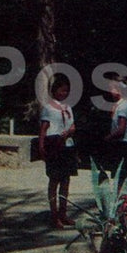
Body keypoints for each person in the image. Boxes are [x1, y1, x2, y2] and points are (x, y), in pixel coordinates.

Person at [39, 75, 78, 229]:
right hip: (54, 145)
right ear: (54, 91)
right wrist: (42, 147)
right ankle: (54, 215)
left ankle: (63, 213)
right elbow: (43, 128)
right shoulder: (48, 108)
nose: (64, 93)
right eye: (62, 90)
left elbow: (73, 125)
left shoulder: (68, 107)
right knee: (54, 180)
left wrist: (69, 131)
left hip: (67, 145)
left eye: (66, 91)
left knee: (66, 181)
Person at [103, 78, 127, 187]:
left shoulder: (122, 107)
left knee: (122, 177)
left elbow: (121, 129)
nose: (110, 91)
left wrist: (108, 138)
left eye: (112, 89)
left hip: (123, 144)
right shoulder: (123, 105)